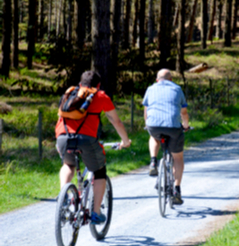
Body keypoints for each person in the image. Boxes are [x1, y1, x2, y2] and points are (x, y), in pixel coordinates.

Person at [55, 71, 131, 224]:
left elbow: (60, 117)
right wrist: (125, 141)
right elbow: (116, 122)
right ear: (98, 85)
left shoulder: (69, 93)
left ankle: (63, 196)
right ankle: (96, 213)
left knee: (68, 164)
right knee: (99, 171)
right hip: (86, 140)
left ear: (80, 83)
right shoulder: (101, 96)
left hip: (62, 137)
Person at [142, 69, 190, 205]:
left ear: (157, 80)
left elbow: (146, 112)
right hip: (173, 127)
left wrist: (148, 125)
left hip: (153, 125)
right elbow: (184, 113)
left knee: (154, 136)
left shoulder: (150, 89)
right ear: (171, 80)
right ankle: (176, 189)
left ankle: (153, 161)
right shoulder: (177, 89)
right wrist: (185, 126)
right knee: (178, 157)